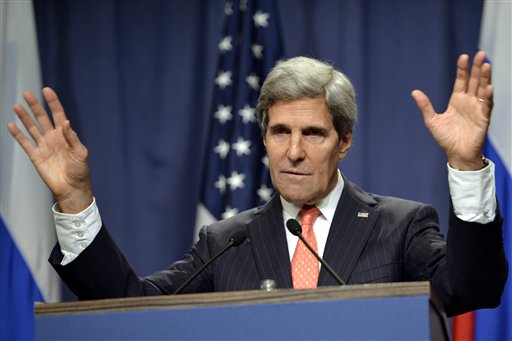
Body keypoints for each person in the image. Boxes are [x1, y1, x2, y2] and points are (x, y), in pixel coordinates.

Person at [7, 52, 507, 317]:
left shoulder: (399, 227)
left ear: (345, 141)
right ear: (263, 139)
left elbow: (472, 288)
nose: (293, 151)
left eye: (313, 133)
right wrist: (74, 200)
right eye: (280, 132)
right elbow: (126, 304)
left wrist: (466, 165)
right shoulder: (225, 243)